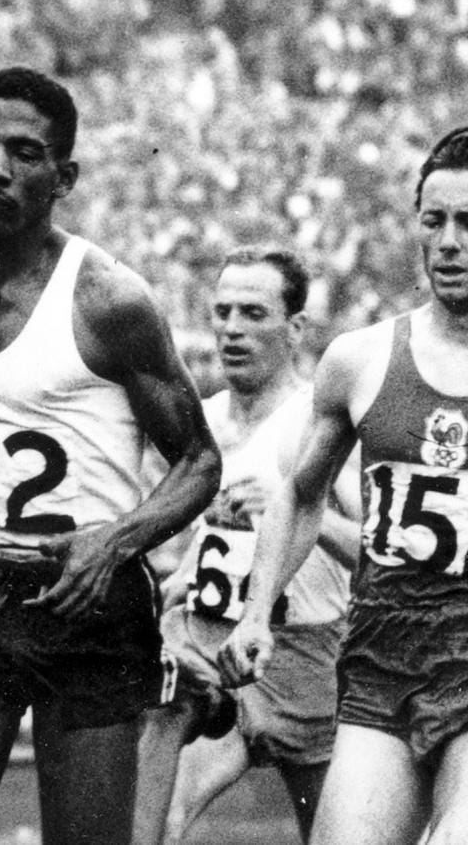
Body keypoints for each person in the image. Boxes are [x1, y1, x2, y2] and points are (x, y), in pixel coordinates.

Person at [219, 127, 468, 845]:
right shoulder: (360, 360)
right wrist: (256, 612)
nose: (447, 243)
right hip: (385, 650)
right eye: (433, 221)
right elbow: (301, 494)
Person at [0, 66, 222, 845]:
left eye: (23, 152)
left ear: (62, 176)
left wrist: (115, 541)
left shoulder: (110, 302)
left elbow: (200, 462)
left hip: (88, 607)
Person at [134, 247, 361, 845]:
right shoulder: (204, 422)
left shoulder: (324, 421)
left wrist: (286, 512)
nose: (233, 328)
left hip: (306, 654)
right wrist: (185, 575)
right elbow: (213, 537)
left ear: (295, 328)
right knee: (154, 817)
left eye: (254, 313)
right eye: (224, 311)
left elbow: (375, 553)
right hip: (211, 643)